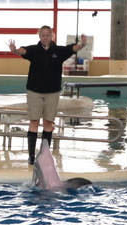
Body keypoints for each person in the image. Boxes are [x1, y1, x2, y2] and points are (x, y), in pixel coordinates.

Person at [8, 27, 87, 164]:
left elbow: (71, 49)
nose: (45, 37)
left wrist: (82, 45)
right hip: (34, 91)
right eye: (43, 35)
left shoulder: (58, 51)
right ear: (39, 36)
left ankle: (44, 154)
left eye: (48, 35)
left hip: (52, 92)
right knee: (34, 121)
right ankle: (31, 155)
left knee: (48, 122)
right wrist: (14, 50)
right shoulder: (34, 50)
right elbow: (23, 51)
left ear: (52, 36)